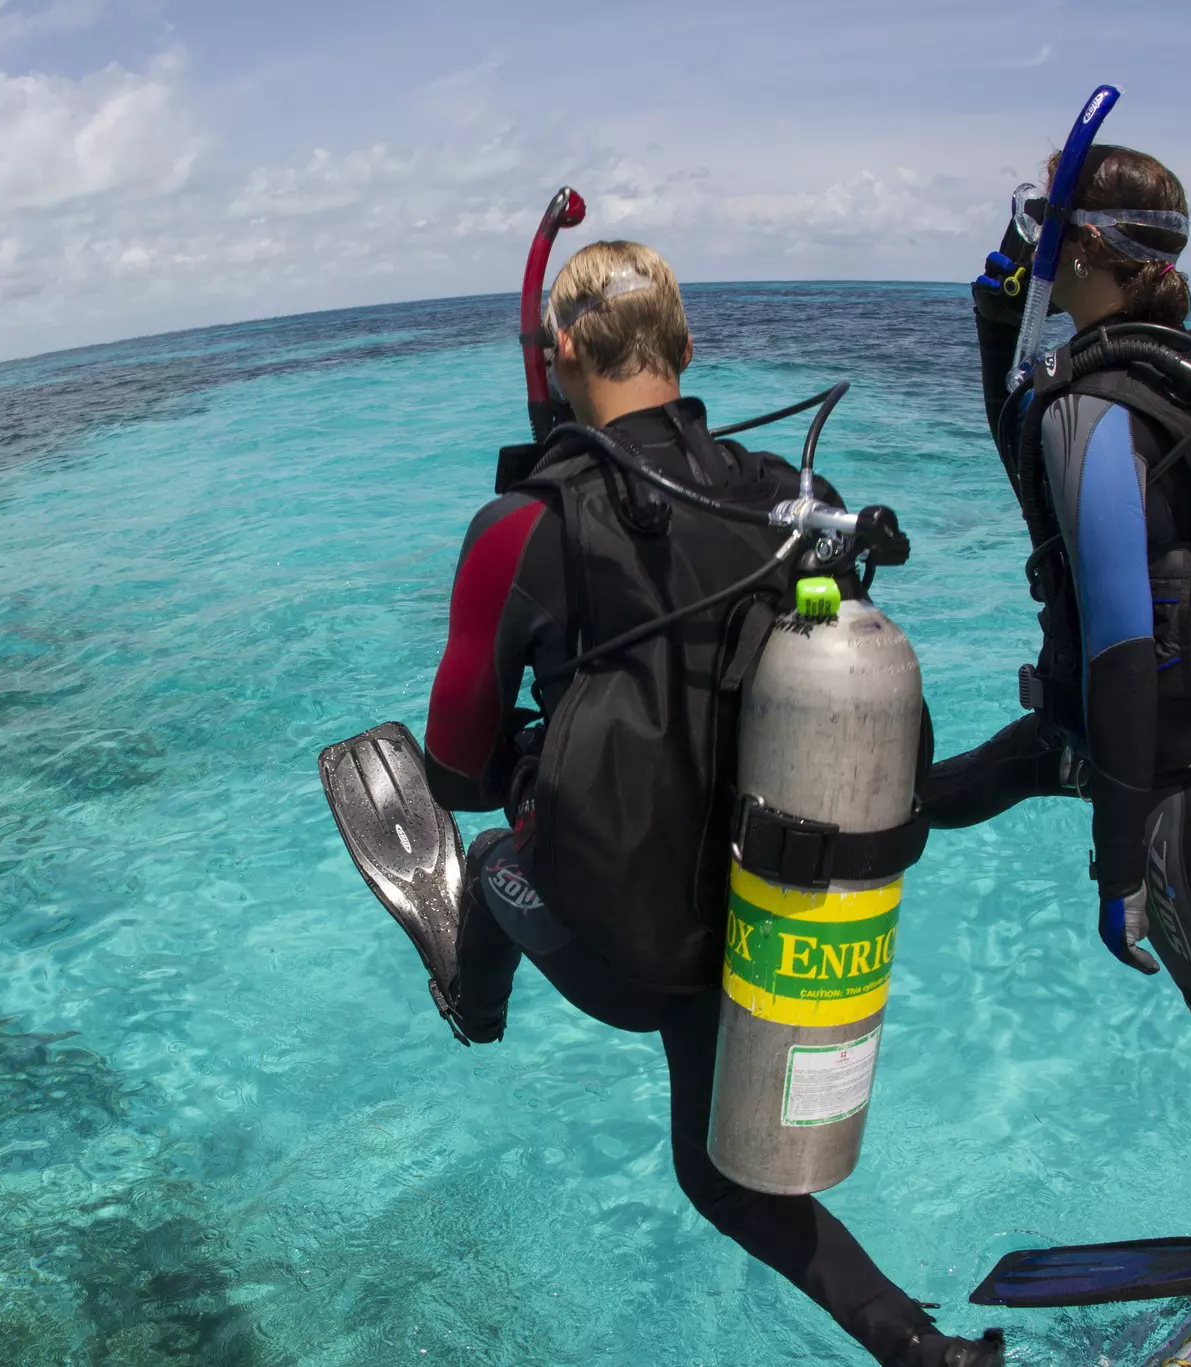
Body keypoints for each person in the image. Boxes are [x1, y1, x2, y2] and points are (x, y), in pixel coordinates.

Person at [326, 240, 1004, 1366]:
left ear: (556, 358)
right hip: (772, 925)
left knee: (493, 853)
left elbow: (451, 772)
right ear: (688, 351)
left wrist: (552, 744)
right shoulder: (799, 504)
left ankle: (472, 1004)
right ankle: (926, 1349)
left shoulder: (521, 529)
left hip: (630, 956)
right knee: (719, 1174)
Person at [931, 144, 1191, 1307]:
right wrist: (996, 290)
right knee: (938, 791)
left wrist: (1119, 861)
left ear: (1082, 248)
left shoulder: (1091, 405)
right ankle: (818, 845)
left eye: (1043, 226)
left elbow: (1120, 639)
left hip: (1161, 768)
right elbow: (1009, 407)